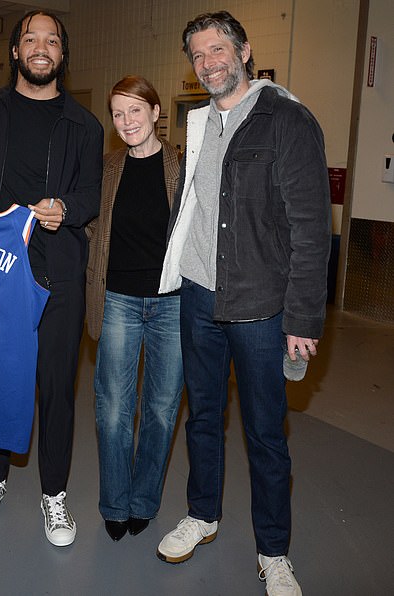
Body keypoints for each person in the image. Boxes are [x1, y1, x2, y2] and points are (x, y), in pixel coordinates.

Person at [156, 11, 331, 596]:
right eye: (198, 55)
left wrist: (304, 319)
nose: (208, 63)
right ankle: (202, 514)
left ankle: (273, 552)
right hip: (199, 299)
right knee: (203, 417)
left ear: (244, 51)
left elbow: (310, 228)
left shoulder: (288, 120)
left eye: (217, 50)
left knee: (265, 434)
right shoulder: (200, 123)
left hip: (261, 308)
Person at [0, 10, 103, 547]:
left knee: (56, 388)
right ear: (15, 52)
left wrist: (66, 207)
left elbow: (91, 194)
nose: (41, 48)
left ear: (63, 55)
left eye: (52, 41)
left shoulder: (85, 125)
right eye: (31, 39)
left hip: (59, 272)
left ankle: (54, 495)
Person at [85, 75, 183, 542]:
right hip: (119, 299)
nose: (126, 122)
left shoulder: (183, 168)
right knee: (113, 410)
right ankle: (115, 503)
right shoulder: (106, 169)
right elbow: (89, 222)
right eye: (118, 114)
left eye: (135, 111)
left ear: (156, 113)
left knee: (162, 411)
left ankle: (144, 501)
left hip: (172, 305)